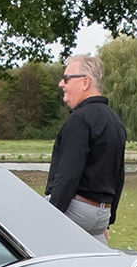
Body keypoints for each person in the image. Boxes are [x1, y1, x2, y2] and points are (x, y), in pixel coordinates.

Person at [46, 55, 126, 243]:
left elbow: (68, 176)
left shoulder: (79, 120)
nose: (61, 84)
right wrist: (108, 221)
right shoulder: (115, 122)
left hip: (76, 211)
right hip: (101, 214)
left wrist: (48, 217)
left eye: (66, 78)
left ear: (85, 82)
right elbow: (118, 175)